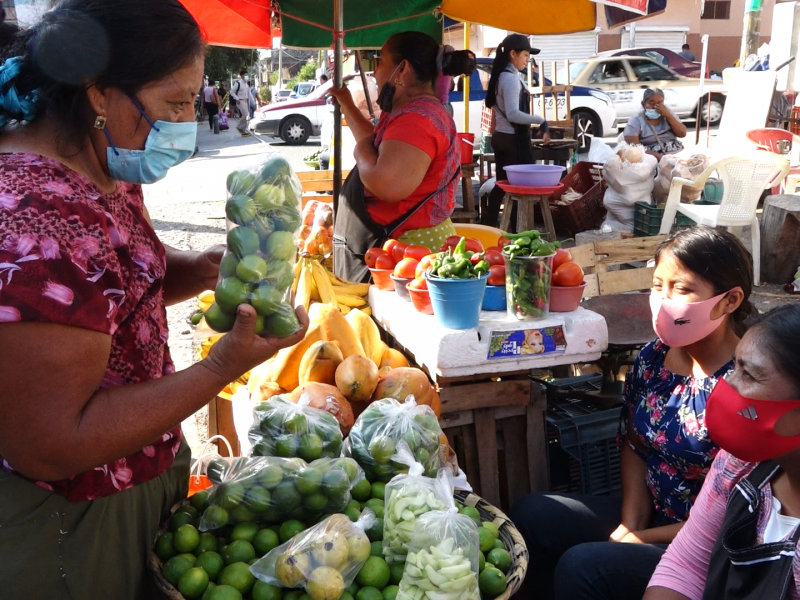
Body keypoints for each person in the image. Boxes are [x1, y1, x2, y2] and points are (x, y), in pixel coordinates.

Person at [0, 2, 308, 598]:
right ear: (98, 94)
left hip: (134, 477)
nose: (188, 122)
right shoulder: (34, 218)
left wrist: (203, 271)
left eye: (195, 100)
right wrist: (222, 366)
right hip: (69, 522)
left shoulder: (102, 166)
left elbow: (111, 289)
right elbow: (53, 441)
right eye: (175, 103)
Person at [510, 226, 755, 600]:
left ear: (730, 300)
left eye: (683, 289)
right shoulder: (653, 358)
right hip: (651, 514)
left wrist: (642, 539)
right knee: (533, 513)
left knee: (583, 566)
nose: (664, 300)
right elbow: (635, 445)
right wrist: (631, 521)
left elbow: (734, 517)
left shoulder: (745, 389)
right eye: (658, 286)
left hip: (709, 549)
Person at [645, 304, 800, 600]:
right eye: (735, 366)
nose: (727, 384)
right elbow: (687, 564)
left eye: (750, 376)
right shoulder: (740, 462)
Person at [328, 31, 476, 282]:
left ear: (403, 69)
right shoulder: (412, 112)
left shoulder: (416, 119)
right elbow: (377, 146)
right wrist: (347, 104)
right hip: (397, 251)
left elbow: (386, 183)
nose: (375, 72)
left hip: (407, 257)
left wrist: (360, 149)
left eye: (381, 62)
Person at [483, 34, 551, 229]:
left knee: (502, 184)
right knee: (515, 188)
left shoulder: (503, 76)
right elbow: (513, 114)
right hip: (511, 140)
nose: (527, 59)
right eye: (525, 55)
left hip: (502, 137)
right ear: (513, 54)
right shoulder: (510, 79)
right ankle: (515, 230)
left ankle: (490, 226)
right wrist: (539, 120)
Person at [624, 88, 688, 161]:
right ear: (643, 104)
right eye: (651, 103)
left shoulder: (668, 113)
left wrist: (668, 116)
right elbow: (634, 147)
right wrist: (659, 157)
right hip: (651, 158)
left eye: (659, 103)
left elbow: (682, 133)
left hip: (674, 153)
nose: (655, 107)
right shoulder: (636, 120)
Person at [232, 69, 250, 136]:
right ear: (242, 76)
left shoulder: (246, 84)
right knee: (245, 114)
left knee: (246, 115)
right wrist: (237, 98)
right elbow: (232, 92)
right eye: (245, 75)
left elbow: (248, 93)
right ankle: (239, 126)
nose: (246, 76)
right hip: (240, 101)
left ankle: (243, 130)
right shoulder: (238, 83)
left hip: (245, 101)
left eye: (247, 75)